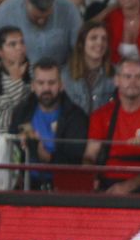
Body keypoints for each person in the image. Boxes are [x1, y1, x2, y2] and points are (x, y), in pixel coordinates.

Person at [82, 56, 140, 193]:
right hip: (106, 182)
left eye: (138, 77)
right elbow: (90, 156)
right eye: (127, 76)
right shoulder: (101, 115)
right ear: (117, 80)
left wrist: (128, 186)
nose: (133, 82)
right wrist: (90, 177)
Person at [12, 58, 90, 191]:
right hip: (25, 187)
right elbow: (12, 148)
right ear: (33, 86)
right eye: (41, 83)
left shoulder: (76, 116)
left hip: (63, 191)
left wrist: (48, 157)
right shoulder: (21, 111)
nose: (46, 88)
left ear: (61, 85)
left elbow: (76, 161)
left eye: (51, 82)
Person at [0, 0, 80, 69]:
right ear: (27, 1)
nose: (41, 21)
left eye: (46, 17)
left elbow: (79, 49)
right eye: (37, 17)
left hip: (59, 74)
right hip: (17, 74)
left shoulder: (68, 9)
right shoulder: (5, 12)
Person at [62, 20, 115, 115]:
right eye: (93, 38)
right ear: (81, 44)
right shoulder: (65, 75)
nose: (100, 42)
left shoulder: (115, 74)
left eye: (104, 39)